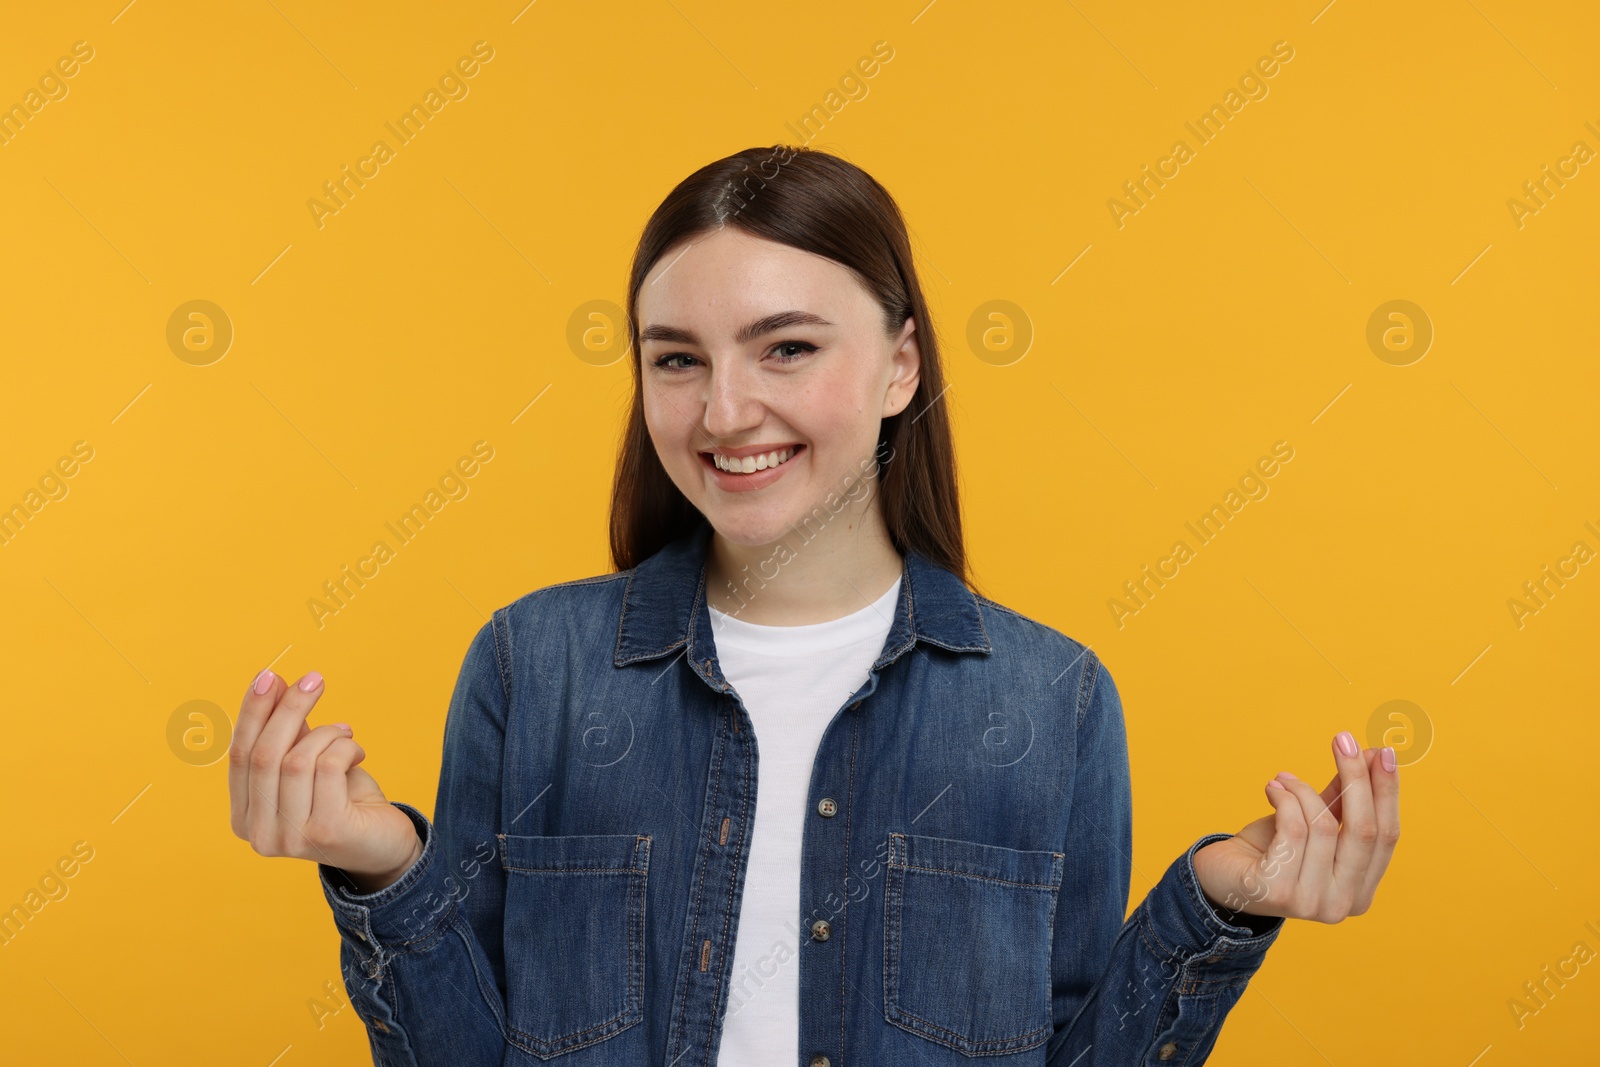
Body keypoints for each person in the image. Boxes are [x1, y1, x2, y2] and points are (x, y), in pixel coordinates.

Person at [229, 144, 1400, 1066]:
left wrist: (1214, 909)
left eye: (785, 348)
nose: (724, 411)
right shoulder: (534, 664)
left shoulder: (1054, 699)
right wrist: (380, 865)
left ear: (900, 366)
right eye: (675, 358)